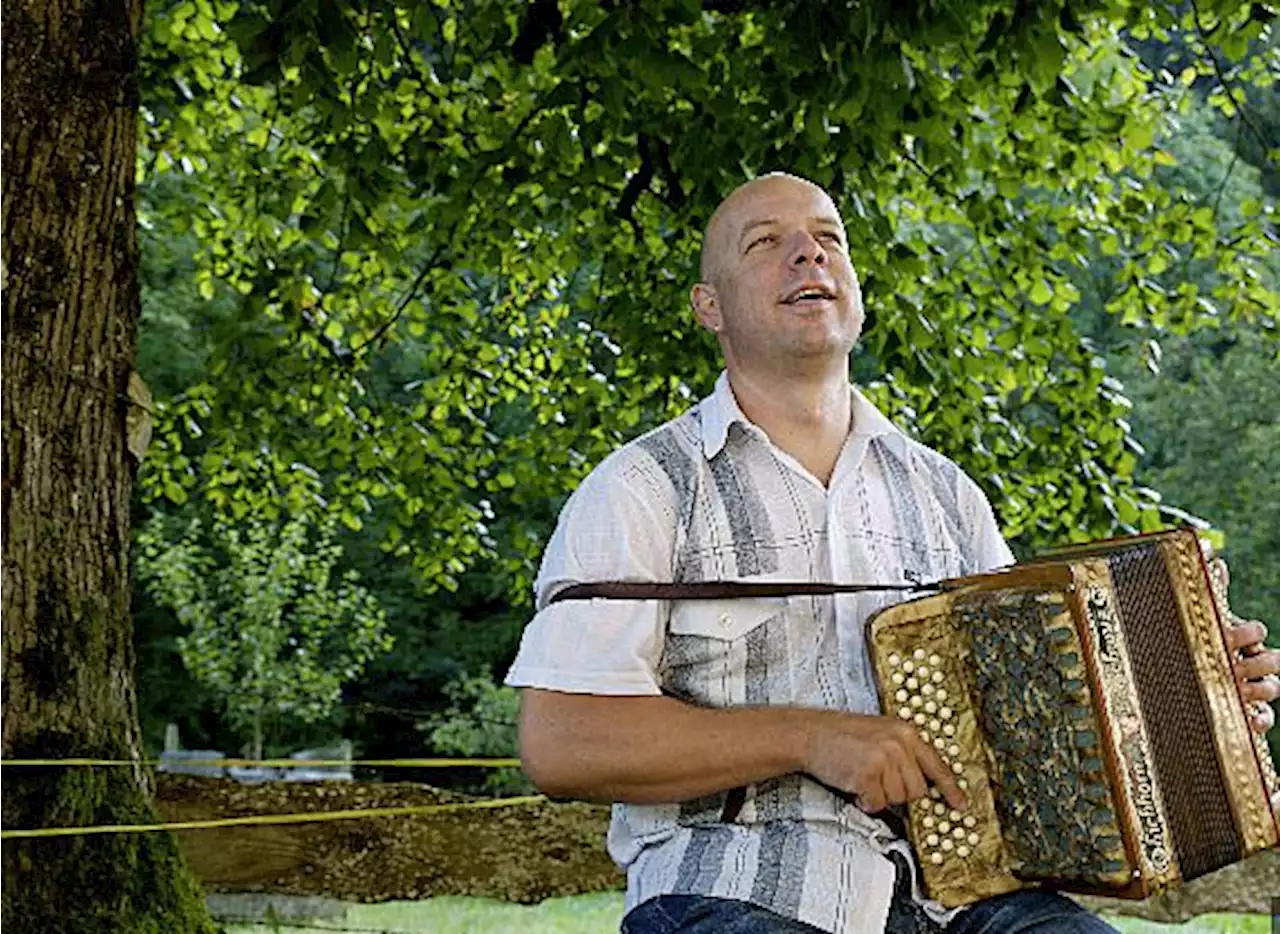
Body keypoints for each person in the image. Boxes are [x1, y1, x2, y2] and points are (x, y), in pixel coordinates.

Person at [503, 173, 1280, 934]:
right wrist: (810, 738)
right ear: (711, 306)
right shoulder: (643, 488)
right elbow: (561, 742)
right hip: (735, 890)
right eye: (766, 243)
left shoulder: (946, 495)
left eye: (828, 239)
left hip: (970, 901)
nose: (809, 255)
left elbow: (1039, 727)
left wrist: (1196, 692)